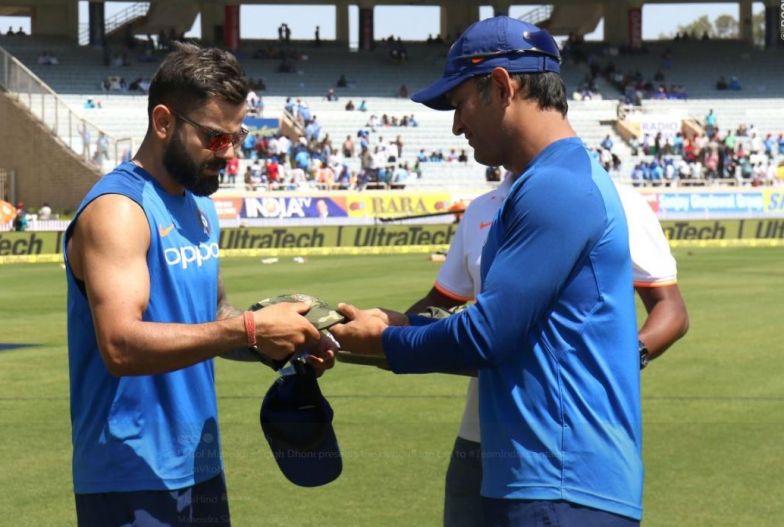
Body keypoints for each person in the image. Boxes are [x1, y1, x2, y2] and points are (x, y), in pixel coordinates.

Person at [331, 16, 643, 526]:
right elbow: (513, 336)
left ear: (501, 87)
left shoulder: (555, 188)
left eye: (459, 104)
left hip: (560, 486)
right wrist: (398, 326)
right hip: (550, 481)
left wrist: (382, 341)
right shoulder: (547, 181)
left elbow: (488, 337)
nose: (456, 125)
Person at [63, 42, 334, 526]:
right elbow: (121, 346)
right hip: (129, 476)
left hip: (200, 467)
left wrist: (282, 339)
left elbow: (215, 319)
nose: (227, 152)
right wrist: (249, 330)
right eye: (213, 138)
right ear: (164, 122)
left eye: (237, 135)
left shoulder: (200, 205)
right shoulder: (118, 210)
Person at [405, 170, 688, 526]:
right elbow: (441, 301)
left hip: (575, 438)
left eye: (463, 111)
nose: (458, 126)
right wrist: (360, 333)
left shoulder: (619, 200)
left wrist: (628, 357)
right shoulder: (481, 210)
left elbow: (671, 309)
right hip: (480, 439)